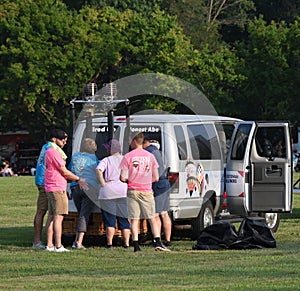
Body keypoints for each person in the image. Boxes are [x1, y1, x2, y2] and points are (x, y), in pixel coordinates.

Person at [119, 132, 170, 252]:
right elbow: (156, 177)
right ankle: (158, 241)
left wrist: (130, 180)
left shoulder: (128, 156)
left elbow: (122, 177)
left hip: (133, 190)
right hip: (146, 190)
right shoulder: (150, 156)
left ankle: (136, 245)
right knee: (152, 217)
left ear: (135, 142)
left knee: (134, 219)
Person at [44, 128, 87, 252]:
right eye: (62, 139)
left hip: (52, 186)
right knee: (59, 217)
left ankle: (50, 244)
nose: (64, 142)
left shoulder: (50, 150)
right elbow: (63, 170)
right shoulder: (54, 152)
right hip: (57, 187)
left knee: (52, 216)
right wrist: (78, 179)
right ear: (54, 139)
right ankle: (58, 245)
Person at [96, 139, 130, 249]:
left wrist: (103, 183)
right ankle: (126, 244)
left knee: (109, 220)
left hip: (108, 191)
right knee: (124, 219)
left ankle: (109, 244)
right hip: (122, 190)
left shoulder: (106, 160)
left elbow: (98, 170)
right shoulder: (125, 159)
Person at [68, 138, 99, 249]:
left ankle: (77, 239)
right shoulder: (93, 158)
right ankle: (78, 242)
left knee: (81, 213)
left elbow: (70, 169)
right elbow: (99, 171)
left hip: (75, 187)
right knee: (84, 215)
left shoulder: (75, 156)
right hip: (88, 187)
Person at [143, 137, 172, 247]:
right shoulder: (157, 151)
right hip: (165, 182)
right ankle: (168, 240)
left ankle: (157, 239)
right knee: (164, 213)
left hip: (157, 183)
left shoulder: (148, 151)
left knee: (155, 214)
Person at [32, 139, 51, 249]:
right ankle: (37, 241)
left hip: (40, 180)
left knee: (41, 211)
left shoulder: (45, 146)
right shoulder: (51, 149)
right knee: (43, 211)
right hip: (45, 182)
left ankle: (38, 241)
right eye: (63, 139)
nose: (65, 141)